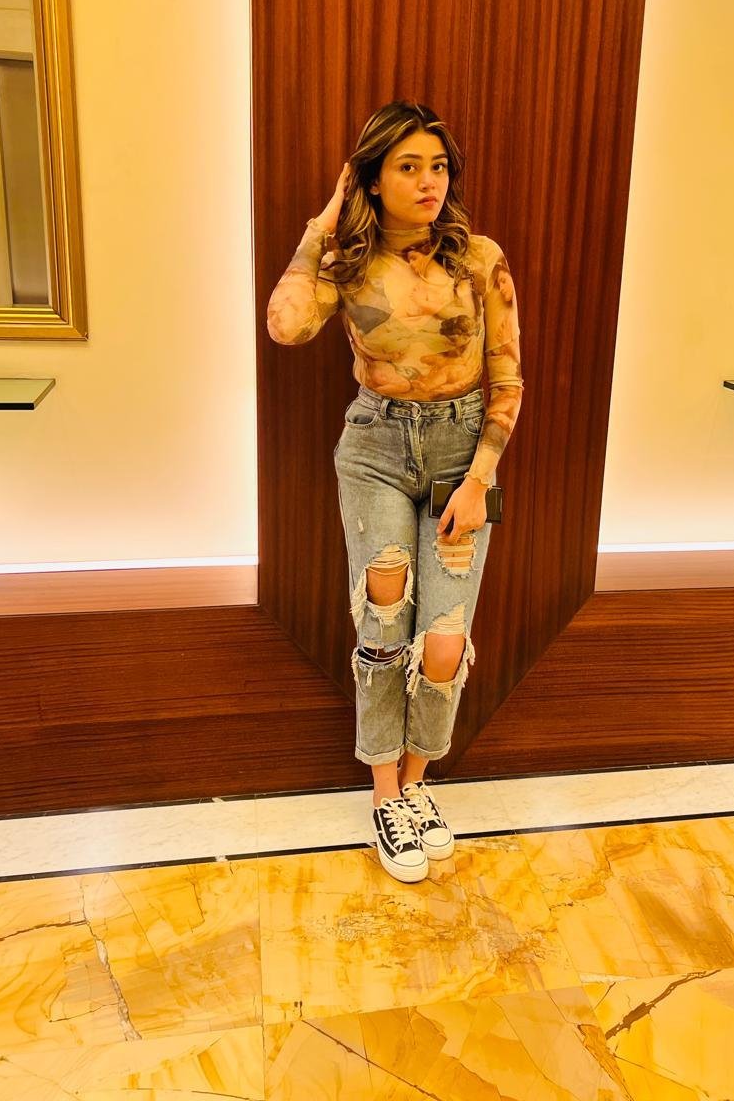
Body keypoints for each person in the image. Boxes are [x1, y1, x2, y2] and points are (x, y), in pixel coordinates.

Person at [267, 100, 523, 882]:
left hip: (461, 453)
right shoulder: (347, 263)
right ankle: (385, 796)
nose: (427, 181)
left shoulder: (479, 260)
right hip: (375, 447)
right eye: (408, 167)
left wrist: (479, 480)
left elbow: (508, 380)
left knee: (443, 639)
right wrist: (323, 223)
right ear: (372, 181)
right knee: (383, 622)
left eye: (437, 166)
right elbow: (285, 326)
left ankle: (417, 783)